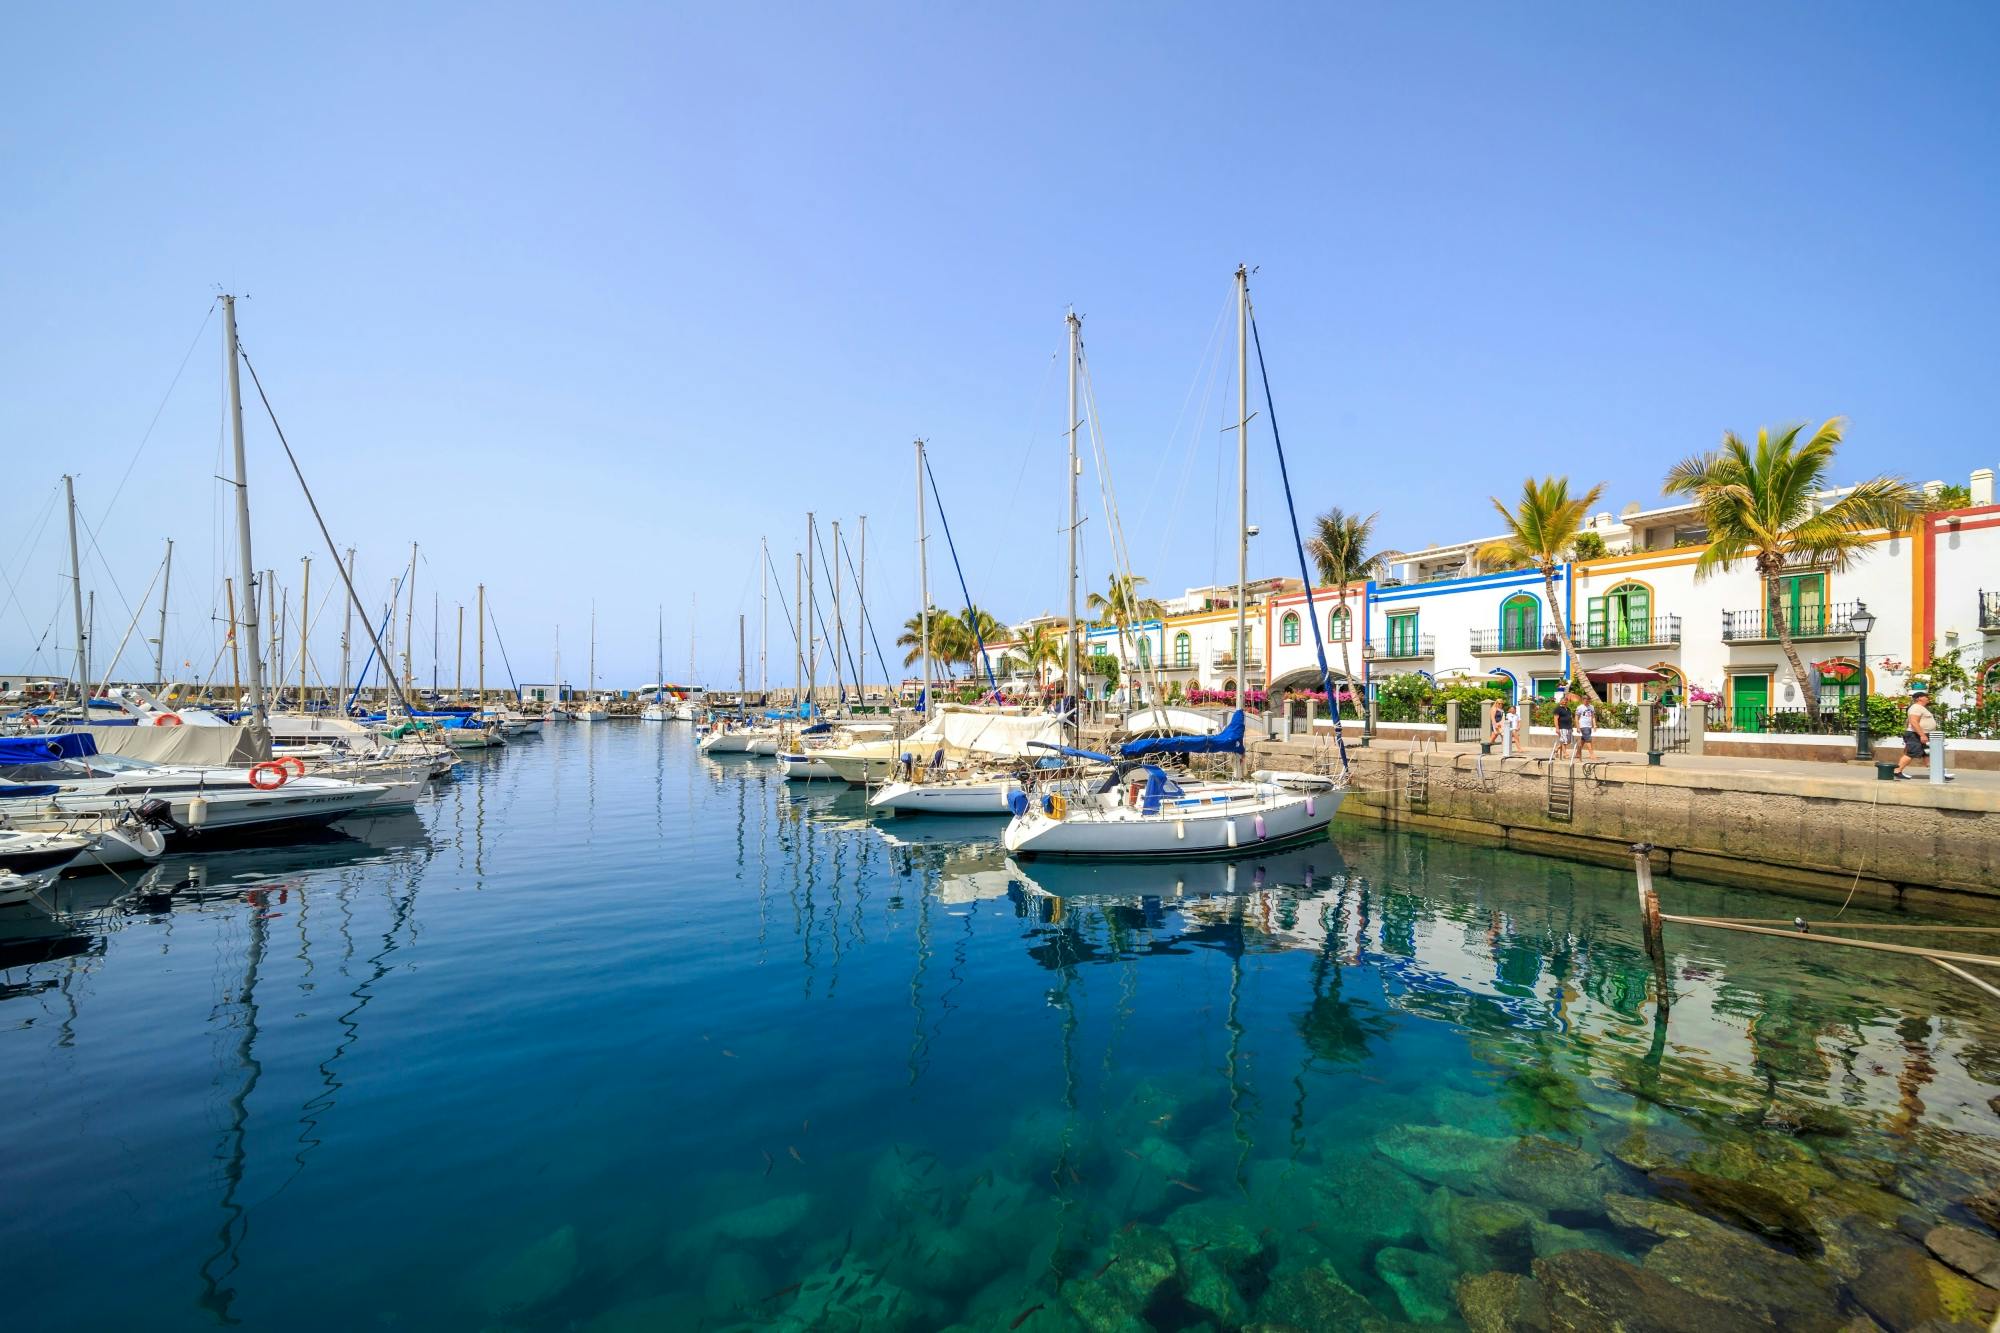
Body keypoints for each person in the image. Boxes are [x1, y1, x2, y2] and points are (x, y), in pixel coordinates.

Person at [1895, 691, 1936, 779]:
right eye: (1926, 697)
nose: (1928, 698)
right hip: (1916, 734)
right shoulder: (1916, 707)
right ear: (1919, 698)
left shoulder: (1920, 708)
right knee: (1911, 753)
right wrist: (1922, 735)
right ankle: (1897, 771)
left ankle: (1936, 772)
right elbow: (1913, 721)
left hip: (1920, 734)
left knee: (1926, 753)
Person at [1552, 695, 1575, 759]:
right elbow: (1555, 719)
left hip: (1569, 727)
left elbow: (1570, 718)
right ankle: (1565, 754)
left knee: (1568, 741)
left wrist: (1571, 727)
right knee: (1564, 740)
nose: (1564, 702)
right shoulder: (1558, 709)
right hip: (1562, 727)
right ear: (1560, 702)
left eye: (1565, 701)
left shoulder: (1568, 709)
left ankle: (1557, 749)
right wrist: (1557, 728)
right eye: (1563, 701)